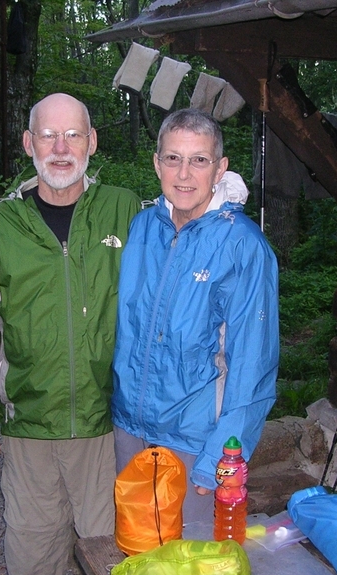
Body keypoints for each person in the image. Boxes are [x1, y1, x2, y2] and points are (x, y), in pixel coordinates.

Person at [0, 93, 141, 575]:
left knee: (117, 562)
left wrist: (220, 196)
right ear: (29, 143)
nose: (61, 148)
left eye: (73, 135)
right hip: (28, 427)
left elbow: (184, 234)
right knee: (32, 559)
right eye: (48, 135)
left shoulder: (124, 209)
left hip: (106, 424)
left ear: (92, 142)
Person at [111, 108, 279, 525]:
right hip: (130, 429)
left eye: (199, 160)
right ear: (157, 163)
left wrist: (219, 458)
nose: (184, 173)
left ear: (220, 168)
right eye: (173, 158)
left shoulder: (243, 247)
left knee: (190, 569)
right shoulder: (143, 228)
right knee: (137, 548)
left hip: (195, 440)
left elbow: (252, 367)